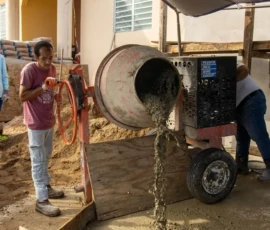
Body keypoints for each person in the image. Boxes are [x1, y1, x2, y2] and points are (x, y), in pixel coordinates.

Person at [19, 41, 64, 217]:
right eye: (44, 58)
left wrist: (56, 96)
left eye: (50, 57)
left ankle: (46, 186)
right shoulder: (29, 71)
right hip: (35, 123)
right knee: (38, 160)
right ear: (36, 57)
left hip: (48, 121)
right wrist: (44, 87)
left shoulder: (52, 69)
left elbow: (52, 92)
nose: (47, 62)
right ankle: (41, 200)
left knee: (45, 156)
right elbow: (23, 96)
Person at [236, 62, 270, 181]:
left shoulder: (226, 64)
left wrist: (227, 79)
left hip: (251, 100)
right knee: (241, 137)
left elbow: (244, 69)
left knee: (258, 134)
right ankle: (241, 167)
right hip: (240, 105)